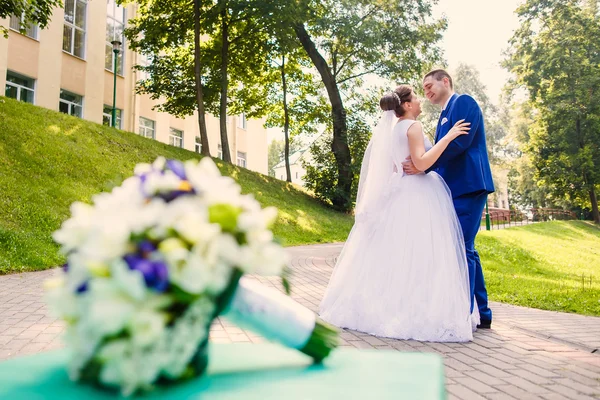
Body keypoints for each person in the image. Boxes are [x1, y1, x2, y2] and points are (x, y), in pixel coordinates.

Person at [319, 85, 478, 342]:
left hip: (399, 191)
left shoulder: (393, 131)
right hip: (418, 194)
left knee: (400, 253)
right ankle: (419, 310)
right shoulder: (413, 127)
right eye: (415, 98)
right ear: (405, 105)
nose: (419, 102)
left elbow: (398, 165)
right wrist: (448, 138)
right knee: (423, 254)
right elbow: (422, 163)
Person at [403, 69, 495, 329]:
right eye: (423, 89)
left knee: (461, 247)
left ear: (446, 81)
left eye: (429, 85)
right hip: (451, 190)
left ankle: (463, 315)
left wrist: (424, 166)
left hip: (468, 186)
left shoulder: (464, 102)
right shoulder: (443, 116)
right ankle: (483, 313)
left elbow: (458, 145)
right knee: (466, 248)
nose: (427, 91)